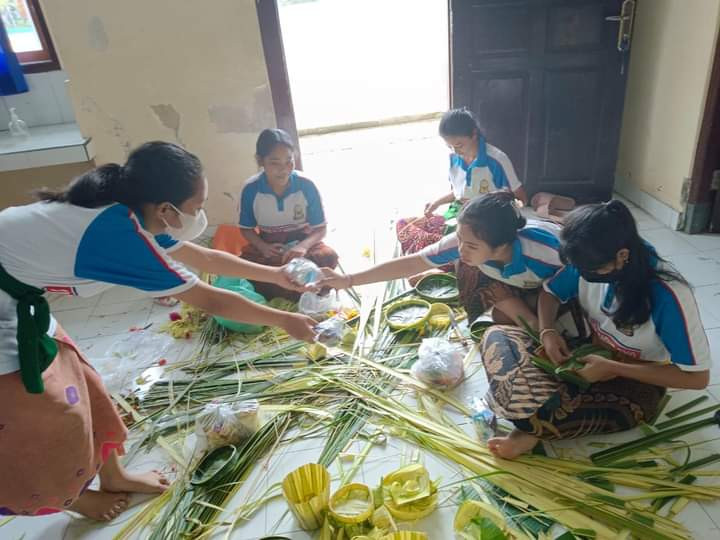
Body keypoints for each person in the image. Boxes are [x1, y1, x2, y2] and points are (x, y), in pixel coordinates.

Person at [0, 142, 318, 521]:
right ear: (166, 208)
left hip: (14, 298)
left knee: (85, 381)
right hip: (6, 306)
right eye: (197, 206)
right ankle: (71, 499)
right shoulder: (120, 236)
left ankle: (115, 477)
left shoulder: (134, 209)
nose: (200, 214)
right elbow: (210, 299)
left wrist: (275, 275)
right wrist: (284, 320)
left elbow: (203, 257)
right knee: (52, 416)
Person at [481, 200, 711, 459]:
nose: (581, 274)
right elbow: (550, 293)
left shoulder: (668, 295)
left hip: (636, 382)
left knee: (545, 413)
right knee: (497, 334)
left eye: (590, 271)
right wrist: (548, 332)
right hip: (586, 352)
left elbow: (697, 378)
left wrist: (613, 368)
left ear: (622, 256)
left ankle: (529, 427)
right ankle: (529, 413)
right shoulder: (587, 258)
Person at [322, 192, 564, 329]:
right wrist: (348, 279)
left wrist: (546, 327)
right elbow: (411, 263)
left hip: (556, 282)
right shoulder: (467, 241)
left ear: (502, 245)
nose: (461, 249)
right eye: (459, 239)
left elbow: (570, 286)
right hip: (519, 279)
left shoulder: (546, 254)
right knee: (497, 312)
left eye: (470, 245)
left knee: (527, 322)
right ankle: (528, 318)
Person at [396, 108, 527, 256]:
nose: (455, 150)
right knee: (404, 226)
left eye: (459, 145)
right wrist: (437, 203)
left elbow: (521, 199)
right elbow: (461, 191)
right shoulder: (454, 158)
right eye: (449, 146)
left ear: (474, 134)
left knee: (446, 248)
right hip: (460, 213)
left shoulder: (496, 160)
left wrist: (493, 213)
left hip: (484, 223)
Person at [238, 128, 338, 300]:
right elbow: (246, 229)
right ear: (260, 161)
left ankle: (295, 293)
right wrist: (263, 247)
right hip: (269, 244)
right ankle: (296, 294)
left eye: (289, 161)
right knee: (246, 267)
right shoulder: (251, 189)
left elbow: (320, 229)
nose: (283, 169)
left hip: (302, 241)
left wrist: (303, 246)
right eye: (275, 162)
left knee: (327, 257)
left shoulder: (306, 185)